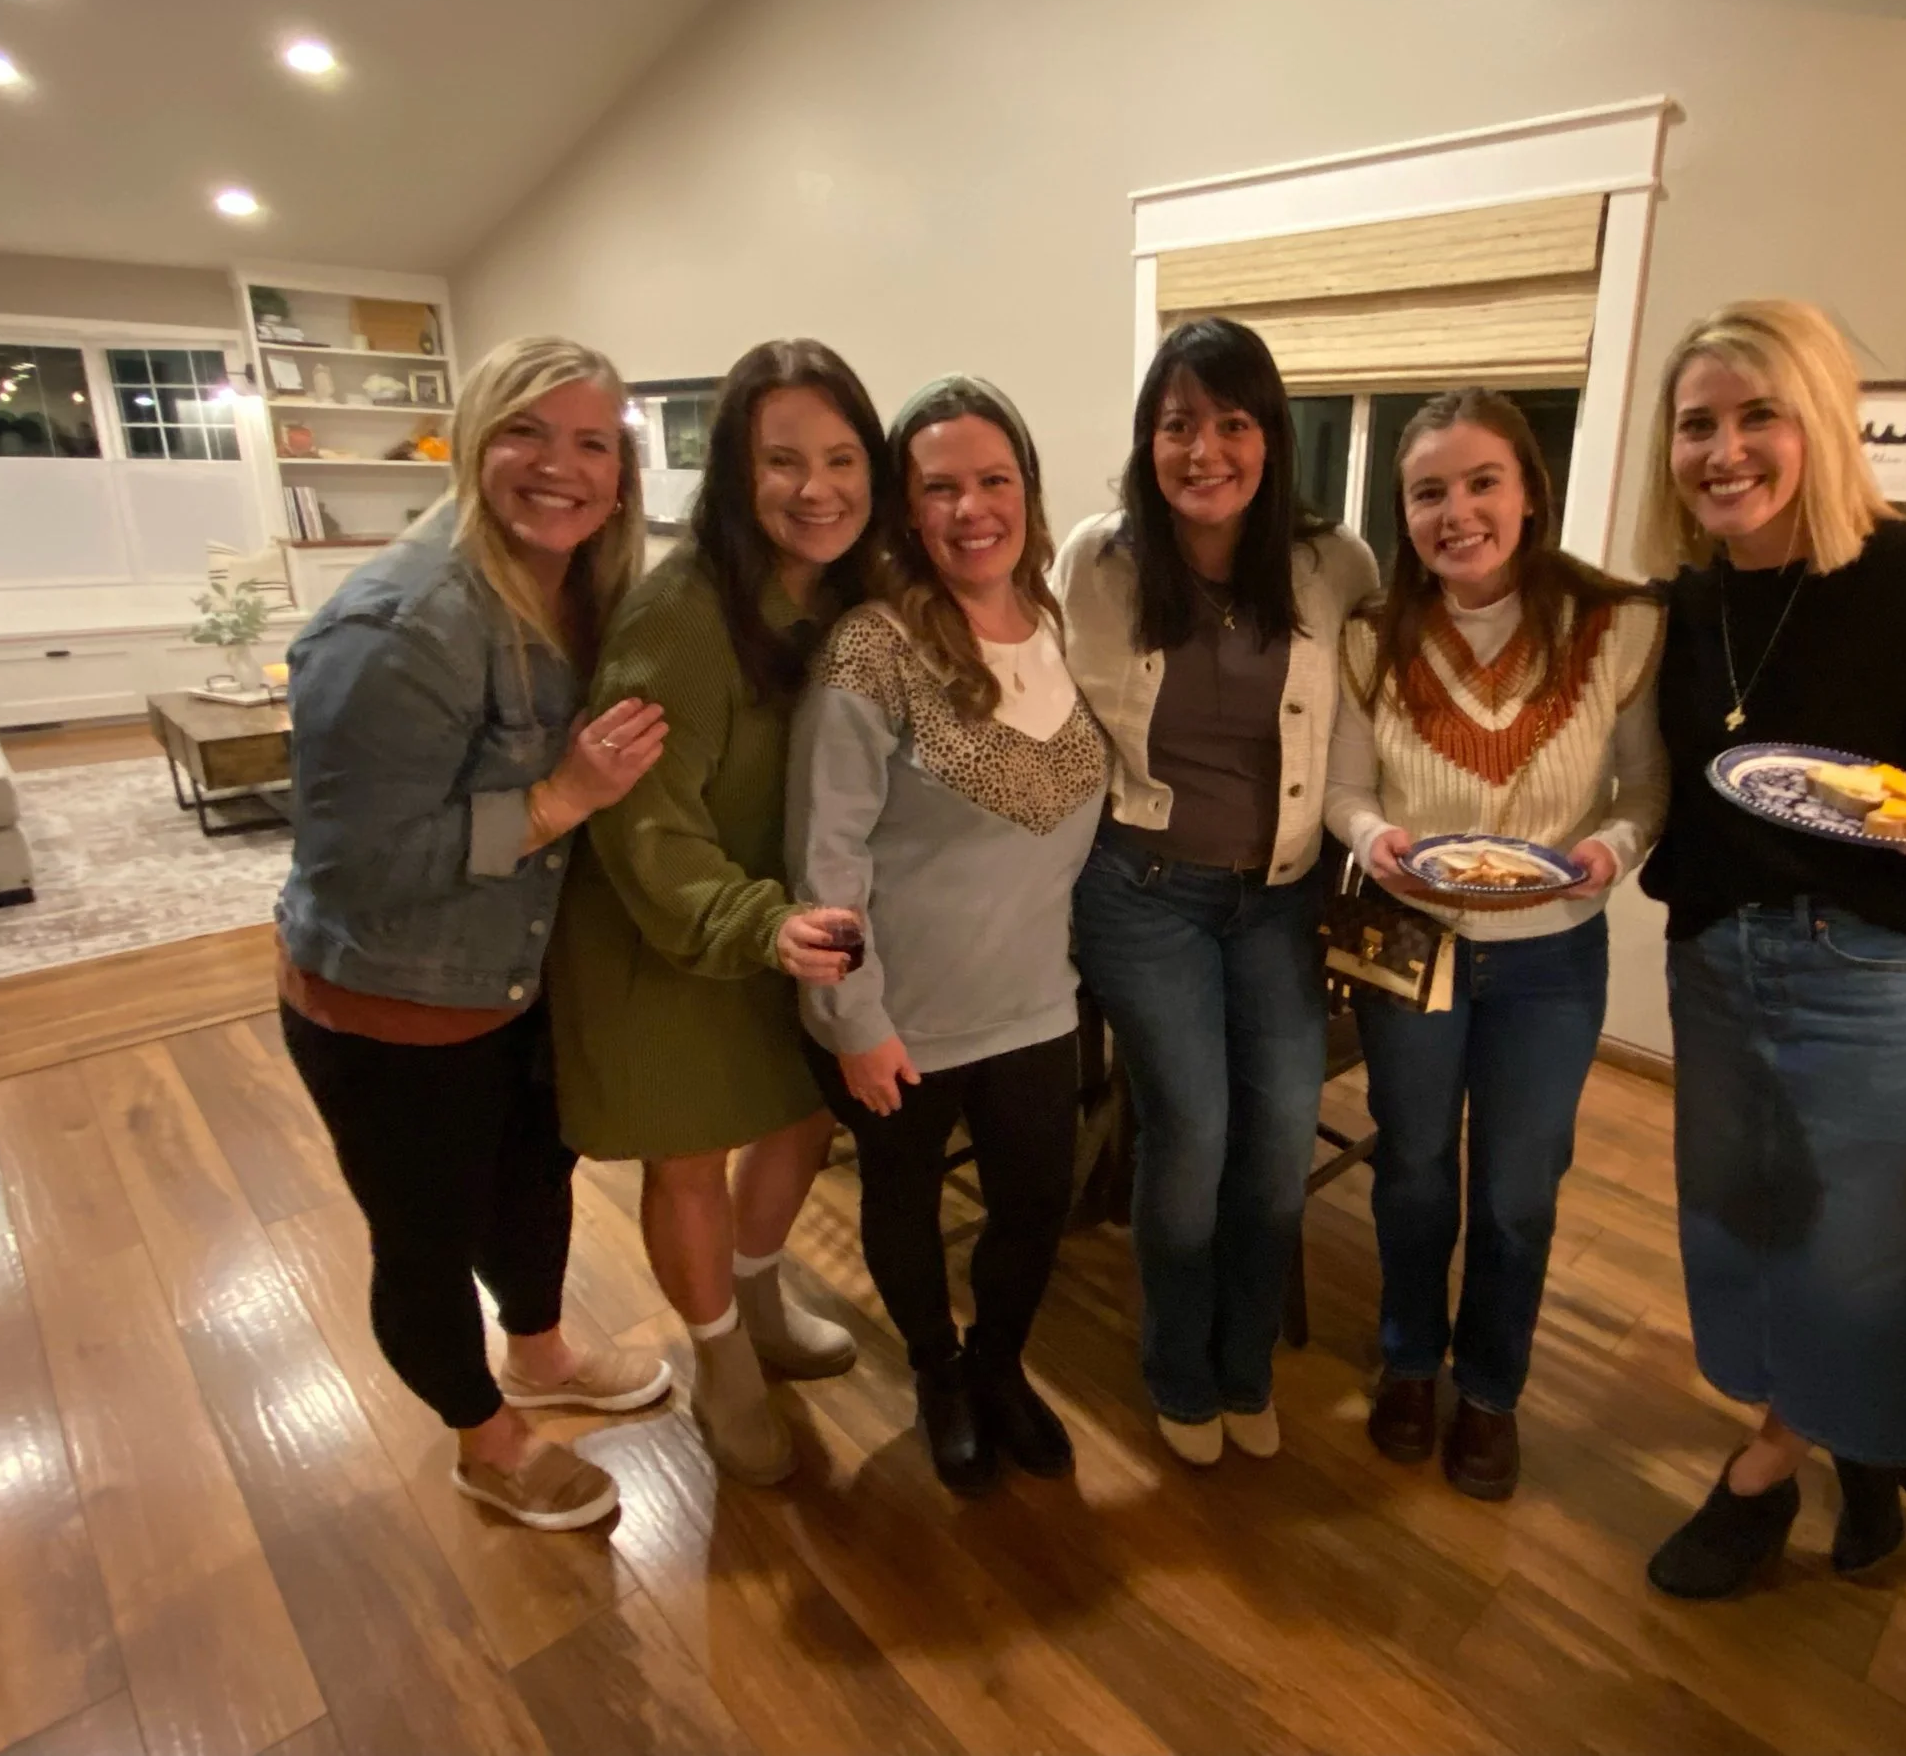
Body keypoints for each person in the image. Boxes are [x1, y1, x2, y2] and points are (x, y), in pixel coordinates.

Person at [1634, 299, 1906, 1597]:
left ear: (1821, 422)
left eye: (1759, 415)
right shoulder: (1680, 606)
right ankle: (1864, 1445)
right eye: (1696, 423)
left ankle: (1766, 1473)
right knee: (1747, 1235)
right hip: (1719, 964)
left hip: (1880, 968)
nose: (1724, 451)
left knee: (1869, 1253)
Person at [277, 336, 675, 1533]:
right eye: (526, 433)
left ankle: (539, 1359)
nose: (562, 467)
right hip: (394, 1004)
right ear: (471, 442)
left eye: (592, 443)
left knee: (531, 1185)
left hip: (517, 979)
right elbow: (357, 869)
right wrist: (556, 801)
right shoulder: (395, 627)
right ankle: (483, 1441)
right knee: (426, 1239)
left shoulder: (581, 589)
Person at [548, 340, 891, 1487]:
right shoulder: (681, 617)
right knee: (691, 1156)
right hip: (671, 935)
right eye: (781, 460)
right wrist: (757, 924)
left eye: (841, 458)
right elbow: (647, 829)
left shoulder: (853, 596)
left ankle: (759, 1297)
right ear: (734, 473)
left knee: (798, 1120)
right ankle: (719, 1361)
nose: (816, 488)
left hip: (787, 926)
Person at [1325, 387, 1665, 1501]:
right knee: (1414, 1167)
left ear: (1529, 494)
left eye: (1482, 483)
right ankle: (1409, 1360)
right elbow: (1345, 789)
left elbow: (1645, 789)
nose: (1456, 512)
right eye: (1429, 492)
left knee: (1519, 1187)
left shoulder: (1615, 625)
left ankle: (1490, 1388)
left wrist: (1609, 852)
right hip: (1411, 941)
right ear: (1404, 512)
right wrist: (1372, 840)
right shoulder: (1371, 637)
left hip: (1551, 953)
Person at [1056, 317, 1379, 1466]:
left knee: (1278, 1136)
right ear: (1146, 439)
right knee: (1190, 1132)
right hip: (1140, 896)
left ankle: (1247, 1362)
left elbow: (1377, 720)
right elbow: (1039, 705)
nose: (1204, 450)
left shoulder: (1335, 565)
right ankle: (1178, 1367)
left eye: (1232, 423)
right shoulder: (1096, 561)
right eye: (1176, 423)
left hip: (1280, 900)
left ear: (1270, 436)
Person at [789, 374, 1108, 1494]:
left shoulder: (1057, 626)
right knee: (906, 1206)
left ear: (1027, 490)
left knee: (1033, 1205)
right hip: (903, 1017)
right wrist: (853, 1021)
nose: (973, 509)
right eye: (940, 488)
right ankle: (937, 1373)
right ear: (904, 507)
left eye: (994, 480)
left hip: (1036, 1001)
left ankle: (998, 1365)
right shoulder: (870, 650)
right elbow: (825, 857)